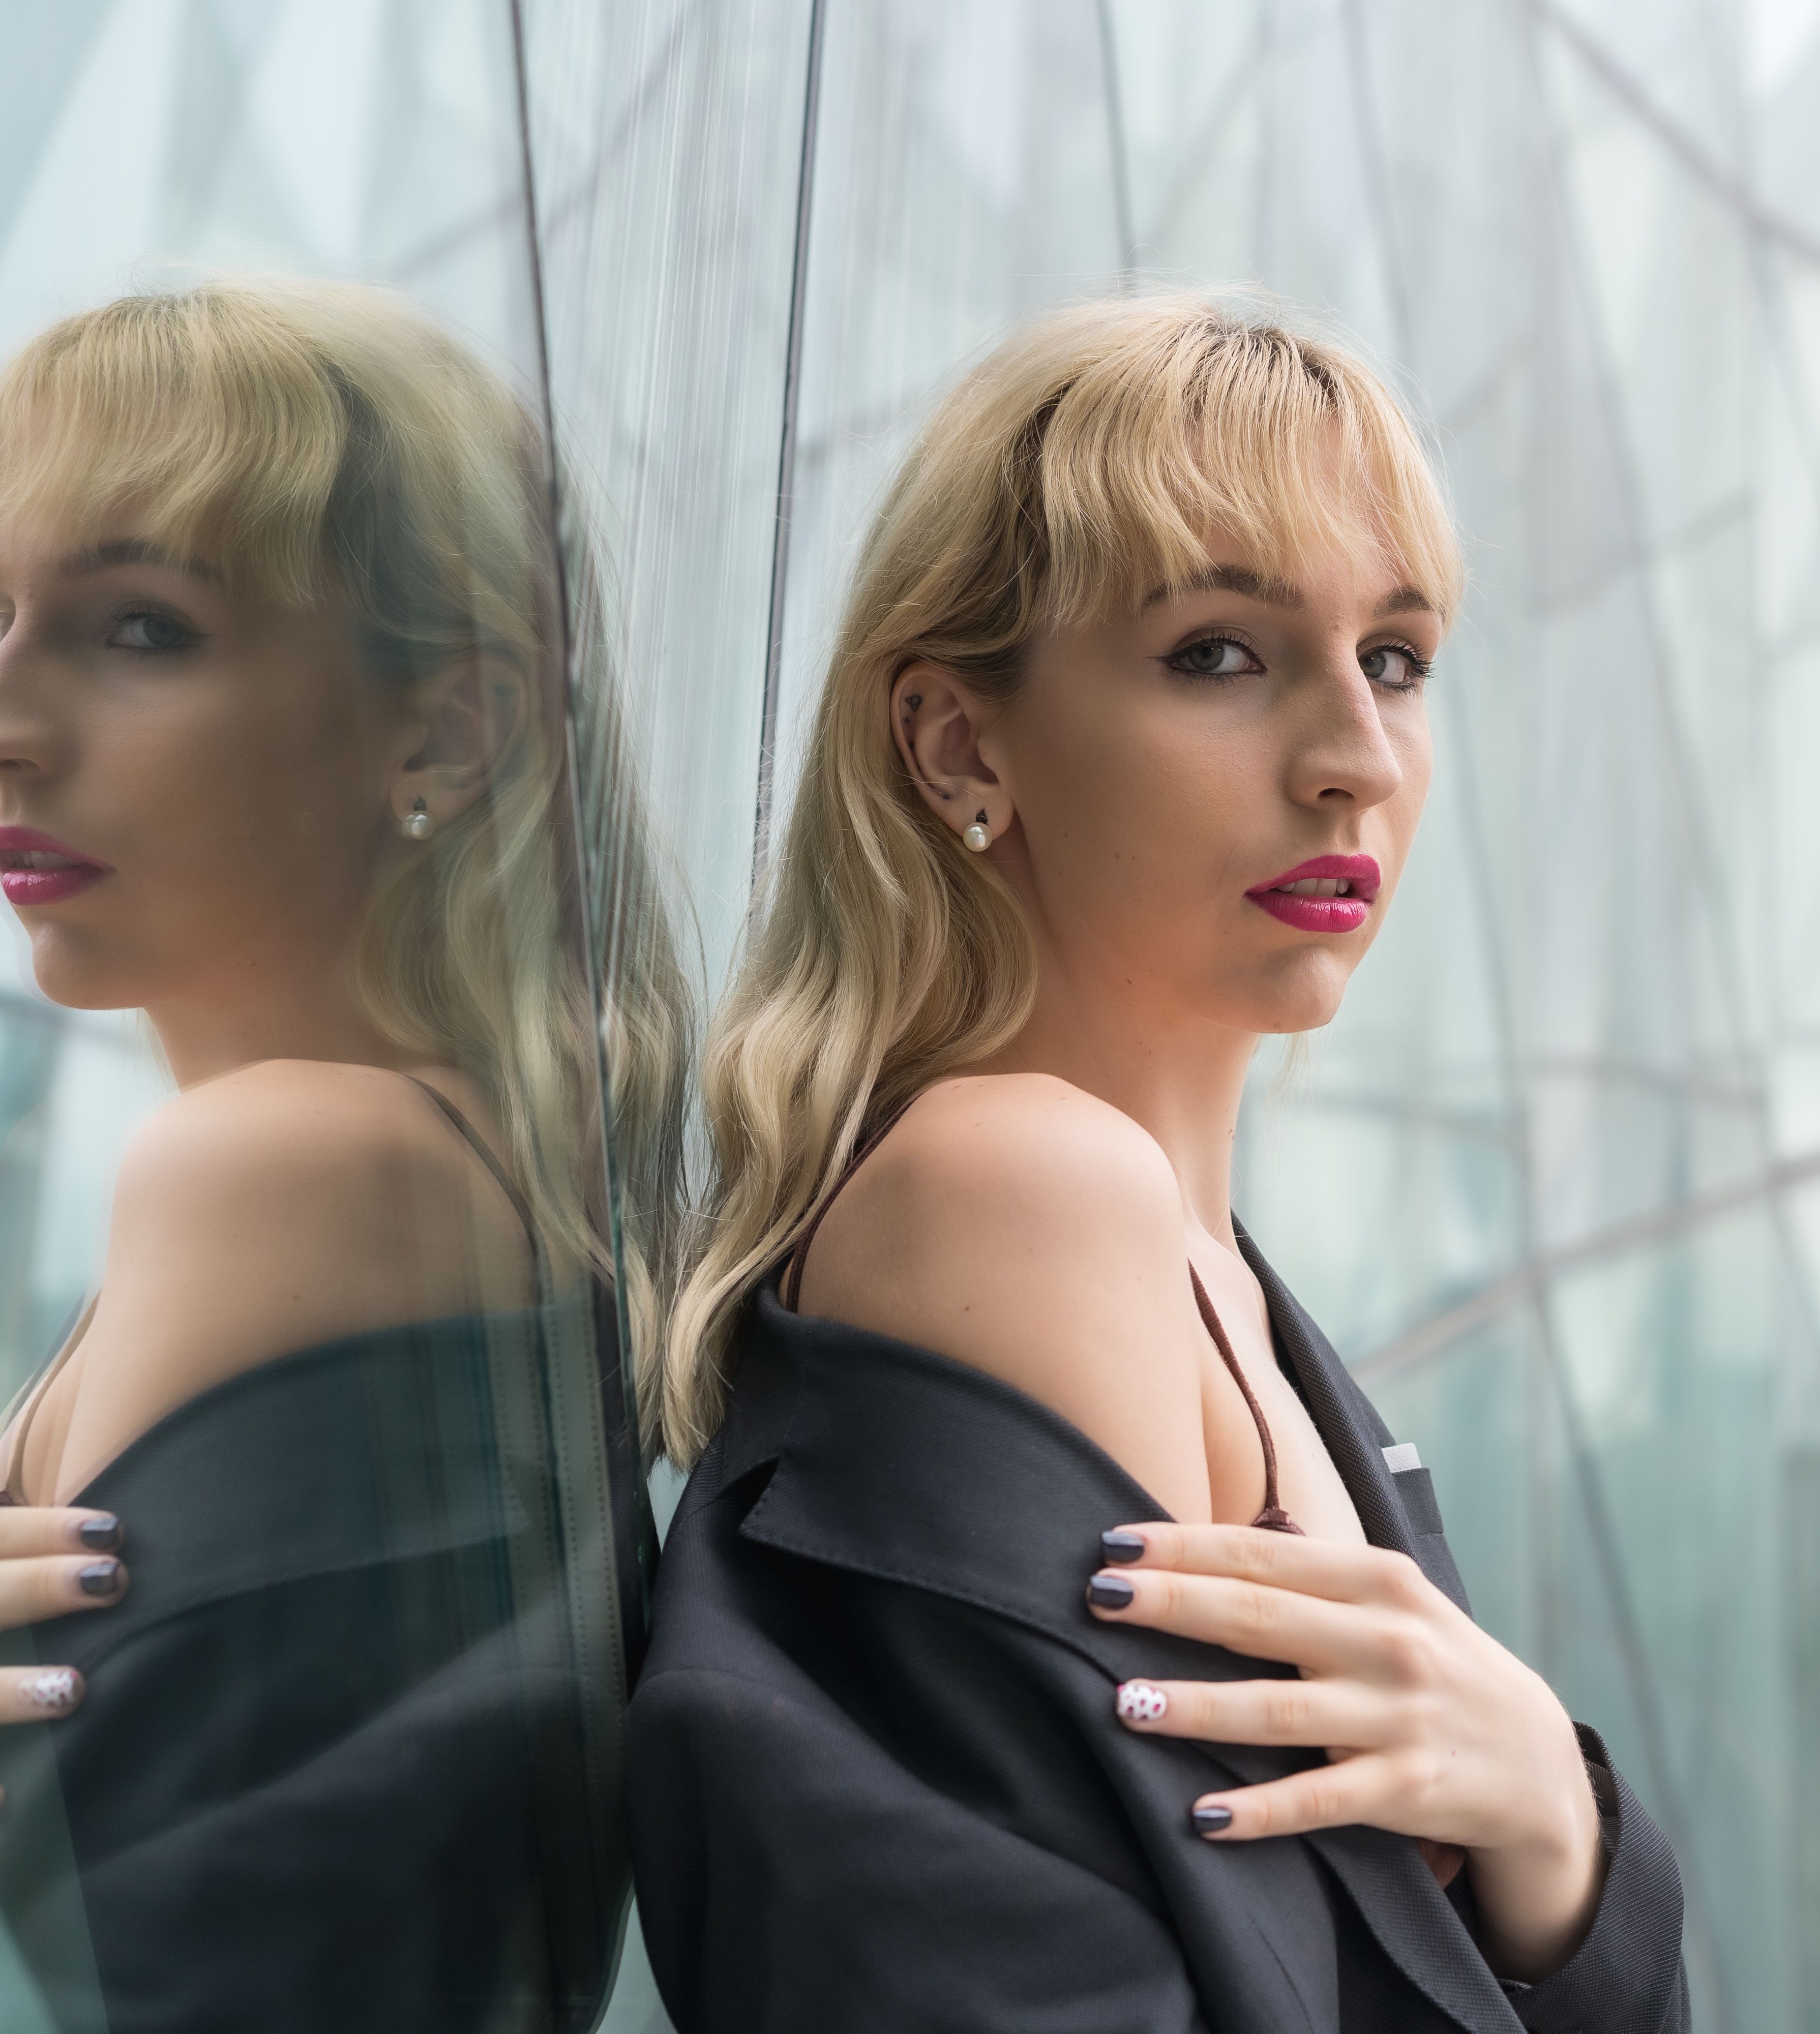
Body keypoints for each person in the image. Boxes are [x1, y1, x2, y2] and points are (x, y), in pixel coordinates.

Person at [635, 295, 1689, 2032]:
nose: (1355, 761)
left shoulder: (1220, 1281)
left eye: (1396, 659)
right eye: (1220, 654)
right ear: (959, 742)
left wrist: (1552, 1814)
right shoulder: (1026, 1190)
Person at [0, 276, 688, 2031]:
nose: (12, 717)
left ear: (450, 729)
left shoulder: (284, 1168)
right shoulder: (463, 1173)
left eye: (139, 629)